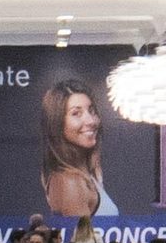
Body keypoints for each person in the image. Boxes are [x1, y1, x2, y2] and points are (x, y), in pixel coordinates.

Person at [40, 76, 113, 218]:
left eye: (91, 110)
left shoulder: (85, 174)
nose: (91, 121)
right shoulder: (70, 182)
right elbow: (79, 233)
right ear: (57, 123)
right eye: (76, 113)